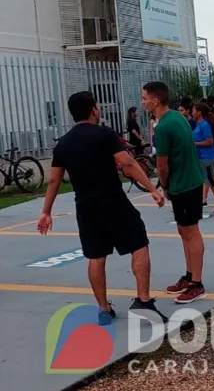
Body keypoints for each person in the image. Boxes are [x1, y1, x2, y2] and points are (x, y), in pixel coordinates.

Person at [37, 91, 167, 325]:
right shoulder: (104, 134)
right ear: (94, 110)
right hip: (113, 200)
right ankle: (144, 301)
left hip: (85, 206)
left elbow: (55, 180)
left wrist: (46, 212)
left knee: (95, 256)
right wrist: (153, 189)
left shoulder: (64, 143)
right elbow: (127, 164)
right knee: (138, 244)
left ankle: (103, 308)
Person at [142, 81, 208, 304]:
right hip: (188, 181)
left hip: (184, 184)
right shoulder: (177, 117)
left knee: (191, 231)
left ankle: (197, 283)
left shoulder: (164, 127)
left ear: (155, 100)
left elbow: (162, 165)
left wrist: (165, 185)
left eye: (144, 98)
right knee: (183, 230)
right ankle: (190, 276)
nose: (143, 102)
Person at [192, 102, 214, 217]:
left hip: (206, 157)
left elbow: (209, 141)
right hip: (201, 157)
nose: (192, 112)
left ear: (199, 112)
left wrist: (194, 144)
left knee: (212, 182)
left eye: (193, 110)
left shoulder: (204, 125)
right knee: (206, 181)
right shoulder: (198, 123)